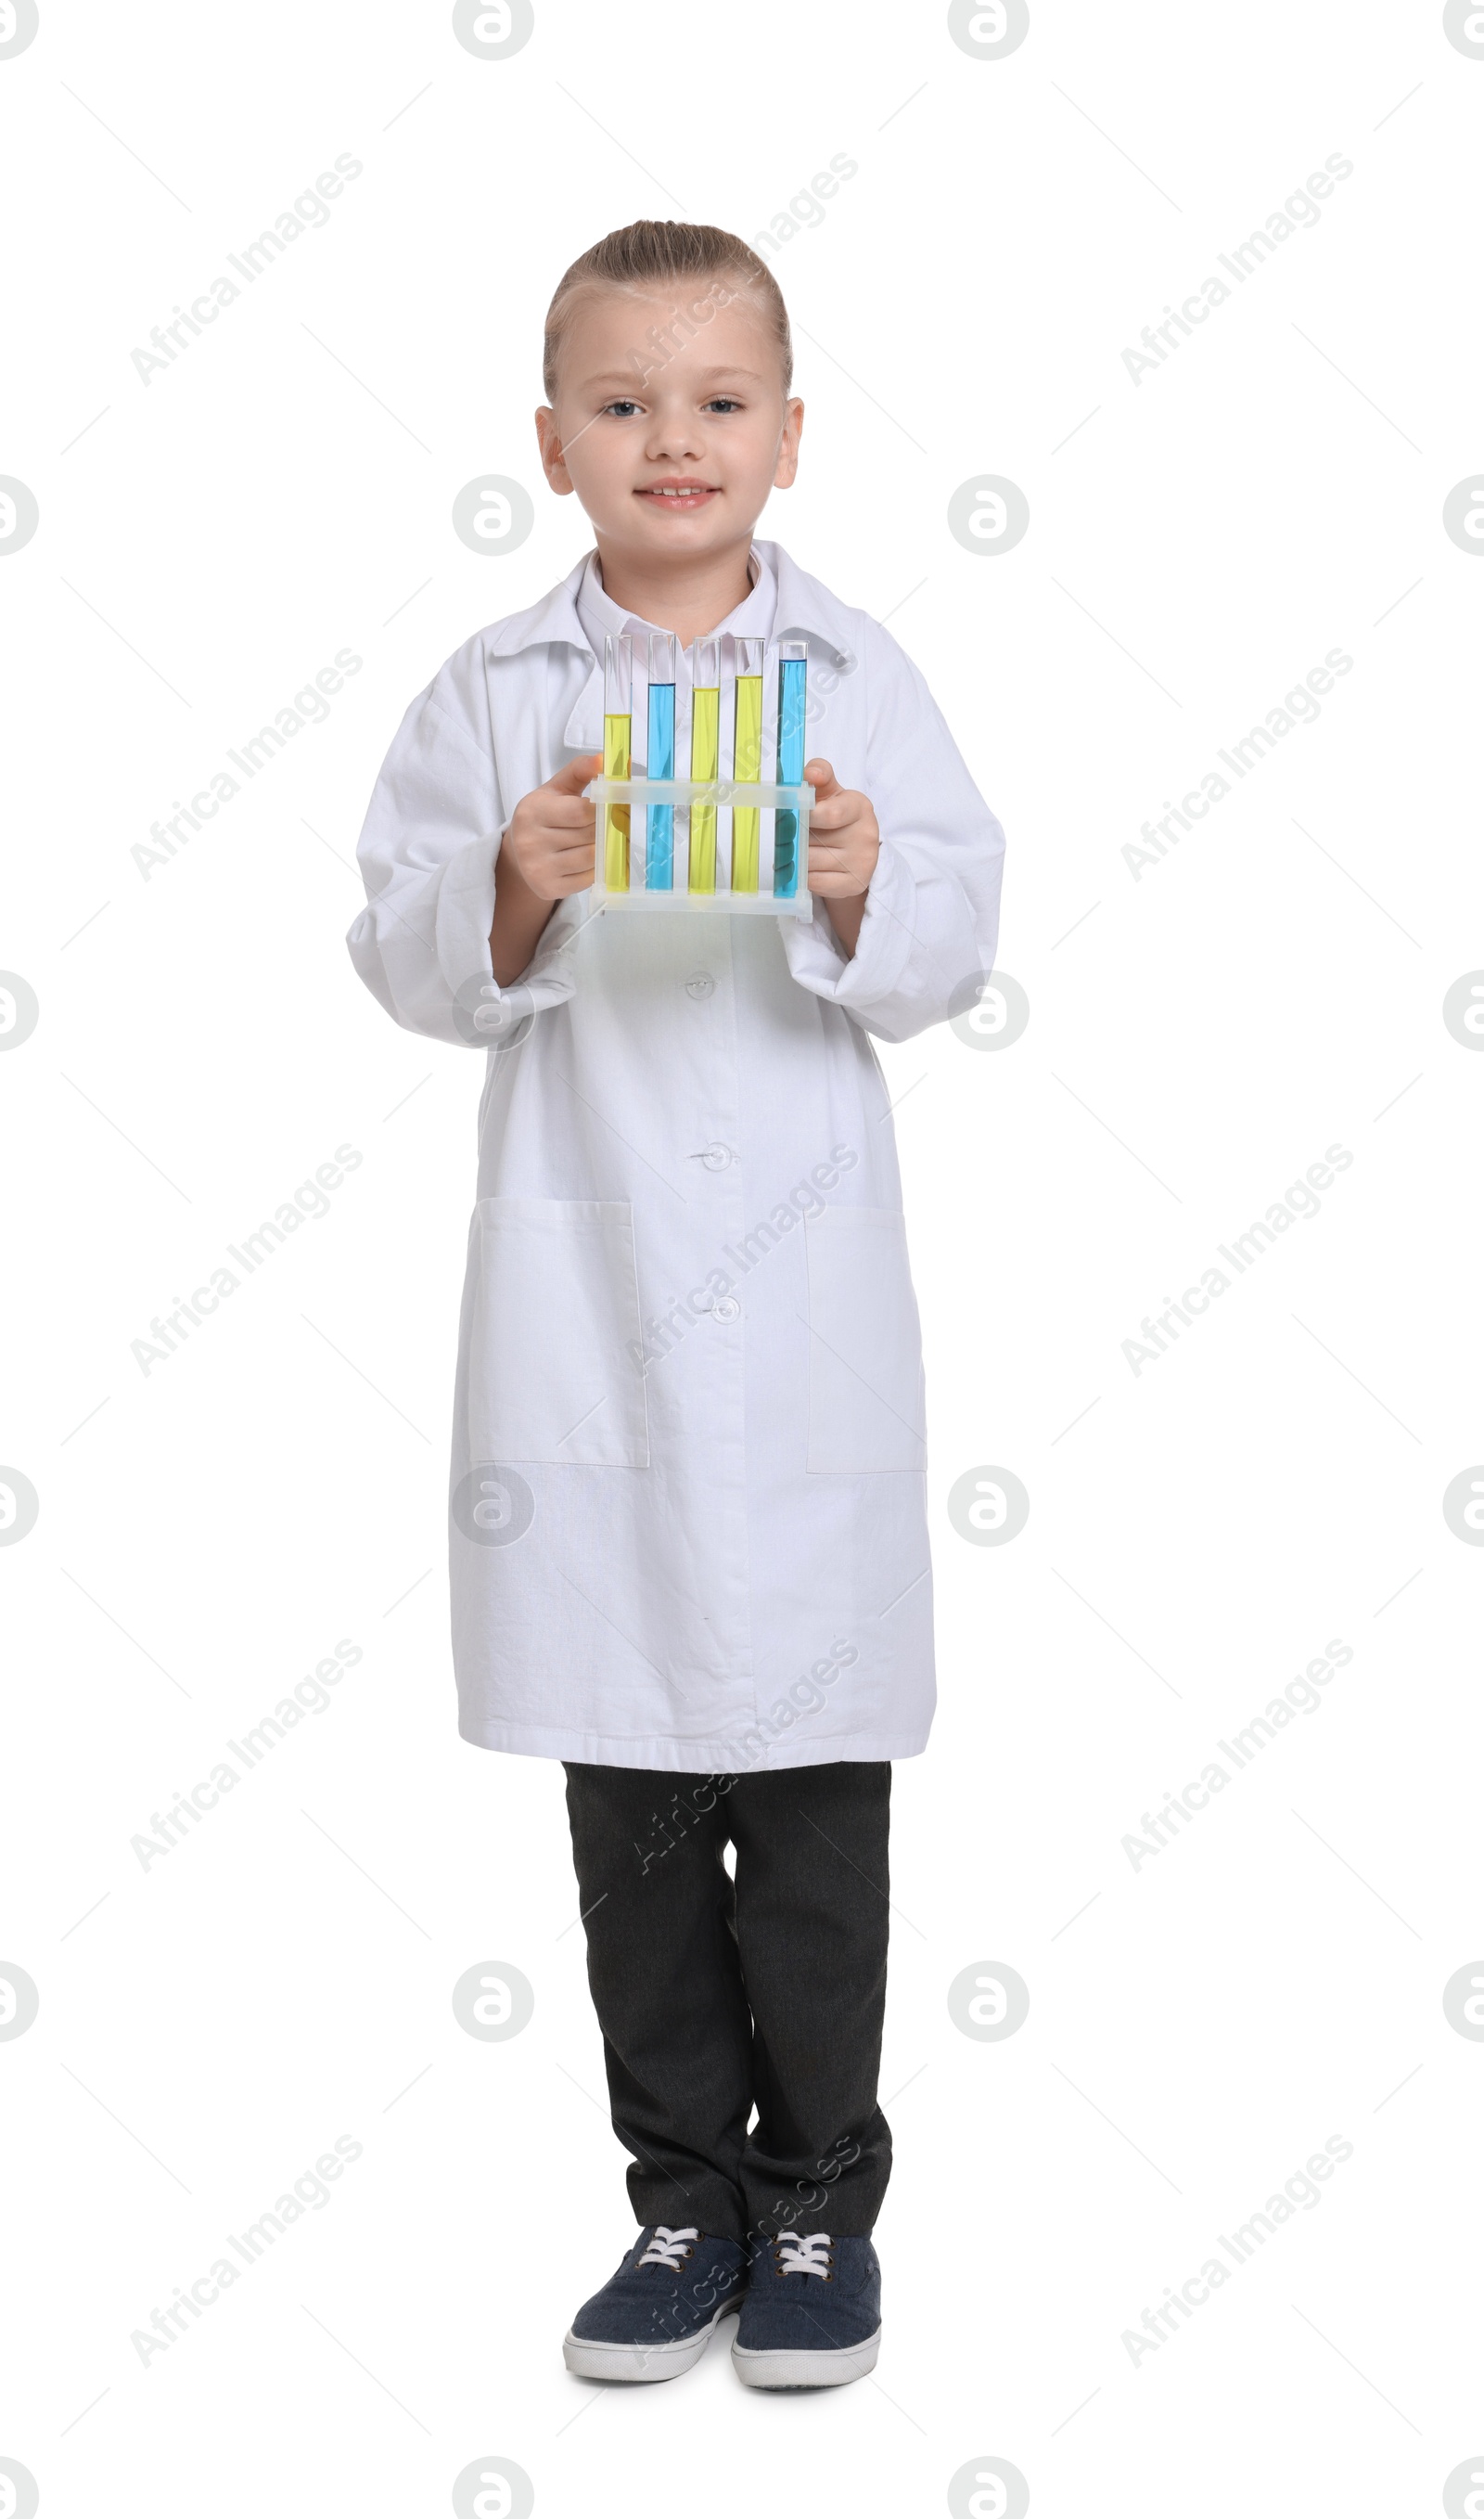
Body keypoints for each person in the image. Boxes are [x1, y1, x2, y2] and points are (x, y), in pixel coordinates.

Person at [347, 218, 1004, 2390]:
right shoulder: (498, 693)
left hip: (800, 1313)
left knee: (810, 1802)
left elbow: (952, 932)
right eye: (621, 404)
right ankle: (676, 2204)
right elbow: (401, 950)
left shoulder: (856, 674)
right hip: (590, 1303)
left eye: (717, 401)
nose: (672, 440)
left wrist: (858, 883)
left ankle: (817, 2211)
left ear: (789, 434)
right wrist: (508, 886)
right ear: (551, 443)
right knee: (630, 1811)